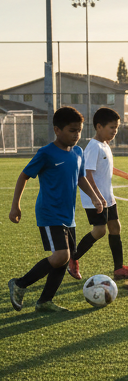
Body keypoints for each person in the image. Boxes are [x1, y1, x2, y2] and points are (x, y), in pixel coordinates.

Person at [8, 106, 104, 313]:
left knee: (65, 258)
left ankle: (45, 301)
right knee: (61, 255)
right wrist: (16, 205)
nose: (76, 135)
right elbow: (24, 175)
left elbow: (80, 178)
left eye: (79, 130)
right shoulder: (46, 153)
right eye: (72, 130)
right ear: (57, 130)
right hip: (49, 213)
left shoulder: (78, 152)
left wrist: (95, 198)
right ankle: (20, 284)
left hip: (68, 215)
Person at [68, 107, 128, 281]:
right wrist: (97, 196)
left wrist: (127, 176)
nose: (115, 131)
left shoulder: (105, 145)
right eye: (112, 128)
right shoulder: (93, 146)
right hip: (94, 198)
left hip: (107, 197)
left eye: (116, 128)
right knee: (100, 230)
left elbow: (108, 167)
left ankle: (118, 269)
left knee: (115, 227)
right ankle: (73, 258)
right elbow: (87, 172)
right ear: (99, 127)